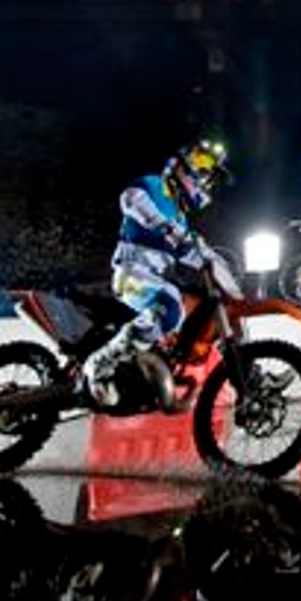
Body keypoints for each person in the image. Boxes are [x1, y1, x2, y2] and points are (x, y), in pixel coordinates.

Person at [82, 137, 241, 406]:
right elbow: (131, 198)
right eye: (204, 169)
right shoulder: (157, 187)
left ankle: (248, 373)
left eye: (210, 177)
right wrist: (163, 225)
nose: (206, 181)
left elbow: (201, 255)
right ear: (186, 164)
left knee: (196, 305)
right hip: (130, 275)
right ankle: (100, 364)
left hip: (152, 282)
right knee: (170, 303)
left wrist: (233, 287)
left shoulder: (182, 222)